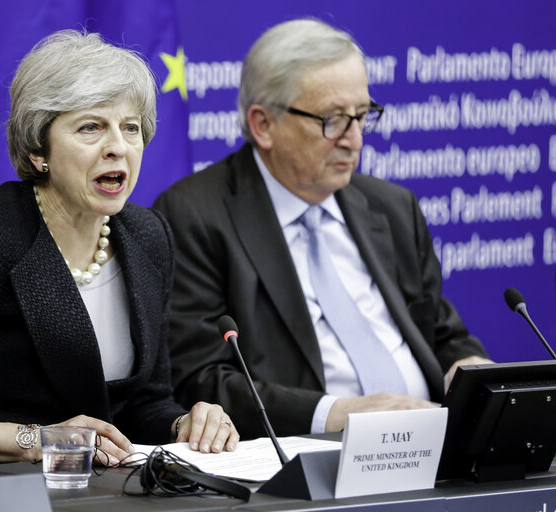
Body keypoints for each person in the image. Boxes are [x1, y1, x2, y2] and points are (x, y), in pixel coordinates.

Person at [0, 30, 239, 466]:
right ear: (38, 150)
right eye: (91, 127)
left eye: (130, 129)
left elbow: (141, 404)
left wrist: (182, 424)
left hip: (99, 488)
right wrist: (34, 440)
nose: (117, 148)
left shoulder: (148, 235)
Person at [153, 18, 491, 440]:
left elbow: (442, 334)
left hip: (435, 445)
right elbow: (200, 380)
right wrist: (341, 414)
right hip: (309, 459)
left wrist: (473, 373)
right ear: (263, 125)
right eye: (332, 120)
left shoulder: (392, 207)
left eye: (363, 116)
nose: (355, 140)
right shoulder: (195, 215)